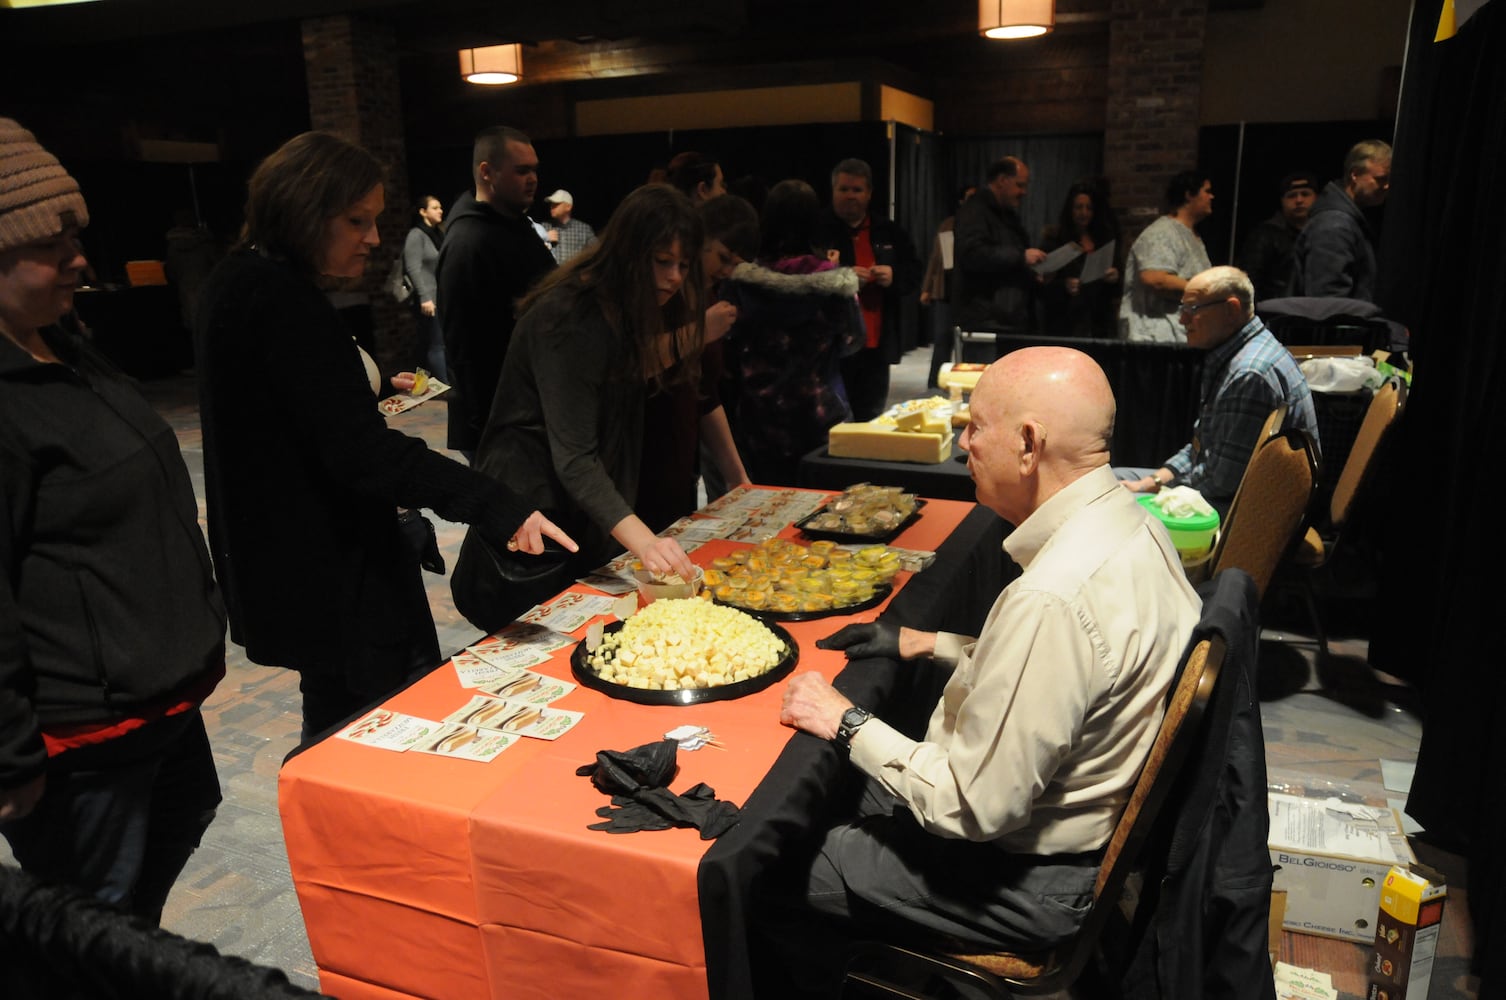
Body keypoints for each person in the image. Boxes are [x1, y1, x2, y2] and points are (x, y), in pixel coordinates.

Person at [766, 347, 1203, 994]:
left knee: (768, 863)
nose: (963, 442)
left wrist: (845, 720)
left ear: (1029, 444)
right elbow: (1079, 674)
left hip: (1028, 879)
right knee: (811, 791)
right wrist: (926, 643)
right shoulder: (1133, 528)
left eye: (975, 427)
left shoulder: (1052, 598)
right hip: (1066, 834)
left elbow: (968, 807)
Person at [194, 131, 575, 739]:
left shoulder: (237, 280)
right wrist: (493, 504)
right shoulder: (280, 299)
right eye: (356, 221)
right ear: (302, 209)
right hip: (327, 565)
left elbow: (291, 414)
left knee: (337, 713)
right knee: (381, 721)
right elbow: (358, 452)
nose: (373, 239)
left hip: (288, 560)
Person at [0, 118, 226, 925]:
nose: (79, 258)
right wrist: (10, 758)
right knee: (89, 931)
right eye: (52, 243)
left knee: (138, 905)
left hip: (158, 703)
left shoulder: (62, 347)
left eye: (77, 235)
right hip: (84, 742)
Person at [460, 184, 703, 628]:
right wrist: (645, 543)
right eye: (662, 261)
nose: (674, 278)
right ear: (629, 253)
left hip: (572, 510)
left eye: (683, 265)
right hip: (535, 513)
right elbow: (574, 458)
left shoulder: (620, 306)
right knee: (539, 645)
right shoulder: (569, 316)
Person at [1117, 266, 1320, 517]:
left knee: (1114, 508)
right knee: (1115, 481)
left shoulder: (1250, 374)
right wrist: (1151, 482)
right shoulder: (1237, 355)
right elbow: (1201, 448)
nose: (1182, 320)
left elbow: (1223, 484)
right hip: (1225, 492)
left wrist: (1156, 495)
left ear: (1231, 309)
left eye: (1192, 310)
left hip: (1248, 514)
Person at [721, 179, 861, 486]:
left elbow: (727, 344)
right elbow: (852, 342)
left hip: (759, 418)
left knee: (768, 509)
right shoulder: (835, 281)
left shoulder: (739, 279)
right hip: (820, 414)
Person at [436, 126, 557, 457]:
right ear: (486, 172)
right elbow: (464, 350)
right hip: (499, 426)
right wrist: (486, 431)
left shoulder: (513, 224)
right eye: (522, 170)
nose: (533, 179)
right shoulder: (468, 243)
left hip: (530, 409)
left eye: (534, 169)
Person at [638, 194, 756, 531]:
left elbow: (705, 393)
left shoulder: (704, 294)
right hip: (639, 464)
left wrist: (736, 474)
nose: (728, 271)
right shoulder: (657, 292)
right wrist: (701, 331)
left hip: (678, 466)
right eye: (723, 258)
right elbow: (633, 364)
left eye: (736, 264)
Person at [819, 158, 922, 421]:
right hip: (831, 344)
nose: (850, 196)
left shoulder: (889, 230)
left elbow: (913, 272)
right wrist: (841, 276)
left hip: (876, 344)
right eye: (844, 189)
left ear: (869, 194)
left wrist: (893, 276)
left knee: (871, 418)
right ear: (833, 191)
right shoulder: (817, 230)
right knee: (831, 421)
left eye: (857, 190)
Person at [953, 156, 1046, 352]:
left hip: (1009, 320)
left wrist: (1033, 273)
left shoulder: (1008, 215)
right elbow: (972, 254)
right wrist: (1021, 257)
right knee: (987, 381)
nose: (1024, 192)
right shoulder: (974, 211)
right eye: (1019, 185)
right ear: (1002, 180)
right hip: (986, 323)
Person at [1119, 170, 1214, 343]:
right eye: (1206, 191)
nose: (1211, 197)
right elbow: (1155, 278)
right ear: (1189, 195)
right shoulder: (1162, 232)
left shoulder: (1193, 237)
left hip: (1179, 337)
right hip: (1155, 340)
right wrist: (1206, 291)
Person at [1292, 140, 1392, 302]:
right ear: (1355, 175)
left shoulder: (1346, 220)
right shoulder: (1333, 225)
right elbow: (1328, 300)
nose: (1387, 186)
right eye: (1381, 179)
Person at [1039, 179, 1122, 337]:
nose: (1084, 213)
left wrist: (1115, 277)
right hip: (1065, 322)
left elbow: (1118, 288)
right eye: (1078, 207)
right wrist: (1064, 286)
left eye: (1089, 208)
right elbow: (1041, 285)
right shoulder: (1055, 240)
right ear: (1070, 210)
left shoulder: (1104, 239)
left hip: (1099, 321)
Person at [920, 184, 975, 387]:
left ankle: (968, 385)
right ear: (961, 201)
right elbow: (937, 258)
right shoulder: (949, 224)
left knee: (969, 344)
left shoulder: (980, 227)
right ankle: (935, 386)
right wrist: (926, 288)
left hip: (970, 294)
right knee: (942, 341)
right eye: (968, 197)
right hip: (945, 291)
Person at [1235, 170, 1317, 303]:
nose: (1299, 200)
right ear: (1282, 201)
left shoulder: (1323, 234)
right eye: (1292, 196)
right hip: (1275, 313)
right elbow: (1249, 282)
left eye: (1305, 194)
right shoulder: (1265, 235)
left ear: (1316, 197)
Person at [402, 194, 447, 379]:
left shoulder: (437, 233)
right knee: (435, 344)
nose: (440, 211)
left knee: (435, 342)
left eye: (440, 207)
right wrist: (425, 297)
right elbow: (412, 267)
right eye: (435, 207)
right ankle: (445, 386)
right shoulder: (417, 234)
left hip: (439, 295)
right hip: (428, 298)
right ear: (423, 212)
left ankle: (425, 382)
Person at [542, 189, 597, 264]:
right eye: (551, 204)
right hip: (552, 274)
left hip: (574, 274)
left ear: (568, 207)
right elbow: (532, 253)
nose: (552, 207)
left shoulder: (584, 229)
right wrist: (544, 238)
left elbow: (597, 252)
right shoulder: (543, 227)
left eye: (556, 204)